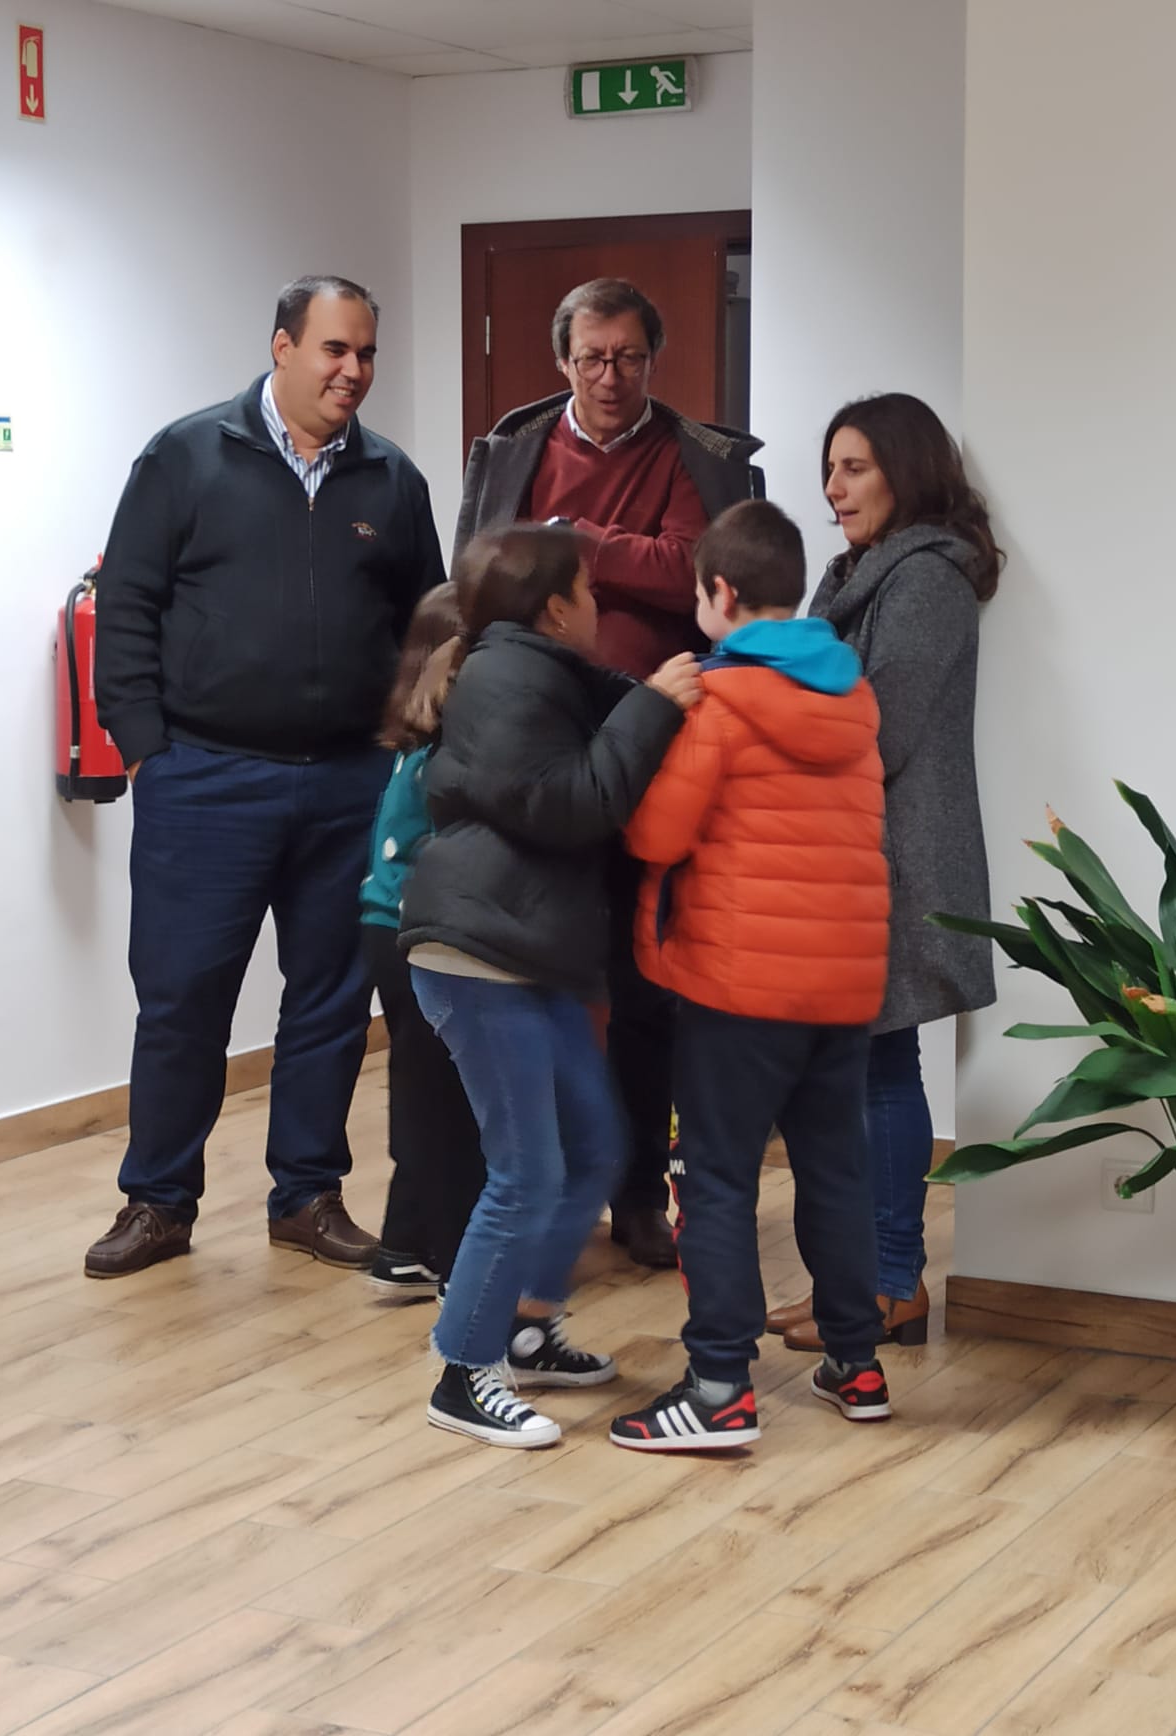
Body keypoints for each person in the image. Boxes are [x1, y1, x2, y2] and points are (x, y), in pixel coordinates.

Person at [85, 275, 445, 1280]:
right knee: (182, 999)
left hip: (348, 784)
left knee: (330, 999)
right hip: (205, 779)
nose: (353, 371)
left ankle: (307, 1197)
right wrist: (146, 747)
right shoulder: (185, 455)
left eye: (366, 353)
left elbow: (429, 627)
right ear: (282, 347)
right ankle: (158, 1200)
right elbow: (127, 605)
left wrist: (404, 754)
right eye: (335, 349)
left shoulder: (391, 478)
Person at [452, 277, 764, 1269]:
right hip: (533, 740)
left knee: (642, 985)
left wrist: (575, 543)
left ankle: (635, 1193)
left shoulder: (692, 456)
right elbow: (481, 576)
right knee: (524, 969)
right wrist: (625, 555)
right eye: (591, 357)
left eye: (629, 357)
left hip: (655, 751)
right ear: (562, 360)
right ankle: (525, 1191)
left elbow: (693, 570)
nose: (610, 376)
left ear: (652, 359)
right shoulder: (514, 452)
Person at [399, 523, 701, 1447]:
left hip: (528, 953)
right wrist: (654, 708)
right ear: (559, 608)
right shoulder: (507, 679)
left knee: (596, 1146)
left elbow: (606, 723)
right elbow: (575, 804)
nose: (601, 607)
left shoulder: (540, 672)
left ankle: (525, 1326)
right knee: (527, 1173)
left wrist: (667, 695)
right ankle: (463, 1371)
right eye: (592, 592)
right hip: (479, 957)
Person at [608, 500, 894, 1449]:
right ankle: (856, 1365)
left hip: (739, 987)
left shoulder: (718, 702)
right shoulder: (853, 698)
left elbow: (657, 835)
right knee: (834, 1172)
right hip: (843, 983)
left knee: (716, 1177)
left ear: (721, 593)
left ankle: (719, 1386)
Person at [772, 393, 1002, 1353]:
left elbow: (879, 725)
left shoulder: (928, 579)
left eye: (854, 468)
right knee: (858, 1070)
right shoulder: (856, 574)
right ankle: (857, 1283)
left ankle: (893, 1284)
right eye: (829, 469)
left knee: (880, 1068)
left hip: (901, 857)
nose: (833, 488)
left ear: (905, 472)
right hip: (852, 852)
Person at [358, 582, 486, 1299]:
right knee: (448, 1104)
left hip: (387, 929)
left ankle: (405, 1245)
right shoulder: (444, 758)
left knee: (422, 1089)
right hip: (420, 939)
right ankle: (456, 1255)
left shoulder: (414, 748)